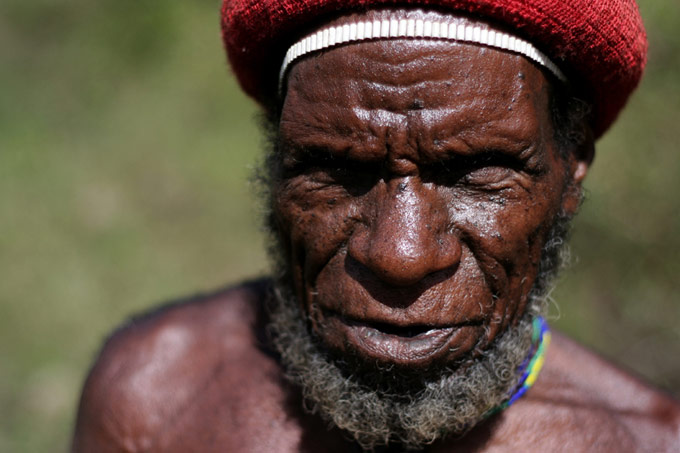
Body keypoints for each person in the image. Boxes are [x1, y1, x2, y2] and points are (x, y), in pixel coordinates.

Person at [72, 1, 680, 451]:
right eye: (337, 169)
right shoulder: (156, 399)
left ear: (569, 174)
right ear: (275, 167)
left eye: (475, 173)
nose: (400, 255)